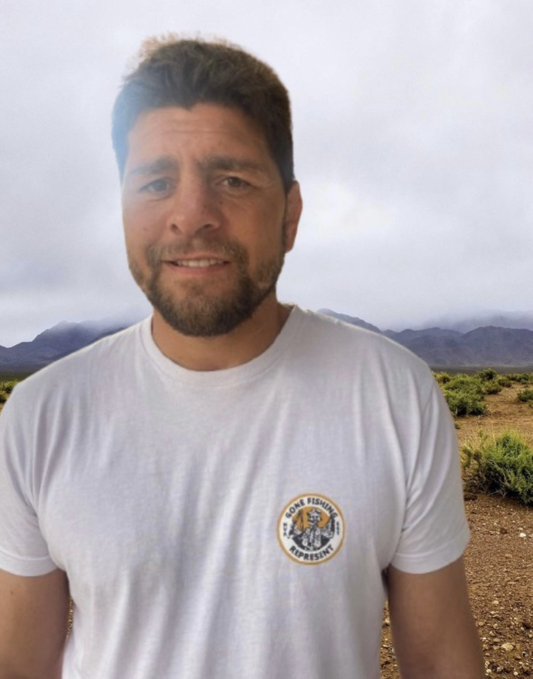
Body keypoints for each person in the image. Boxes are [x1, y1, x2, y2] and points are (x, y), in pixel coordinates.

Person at [0, 37, 484, 678]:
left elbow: (443, 660)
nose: (191, 216)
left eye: (232, 180)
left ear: (290, 215)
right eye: (156, 182)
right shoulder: (41, 418)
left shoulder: (394, 397)